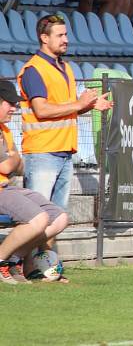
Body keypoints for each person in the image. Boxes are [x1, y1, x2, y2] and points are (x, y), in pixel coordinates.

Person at [16, 15, 111, 248]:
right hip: (42, 152)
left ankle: (45, 266)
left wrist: (88, 106)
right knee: (36, 217)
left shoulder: (65, 67)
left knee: (56, 218)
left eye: (66, 34)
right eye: (60, 35)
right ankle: (20, 263)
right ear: (44, 38)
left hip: (64, 152)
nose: (66, 39)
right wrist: (79, 105)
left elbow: (63, 110)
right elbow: (42, 109)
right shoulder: (33, 70)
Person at [0, 80, 69, 285]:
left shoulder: (5, 130)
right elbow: (6, 167)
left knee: (59, 218)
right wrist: (12, 160)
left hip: (7, 187)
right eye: (10, 103)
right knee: (38, 219)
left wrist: (12, 160)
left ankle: (13, 260)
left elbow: (18, 166)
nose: (15, 108)